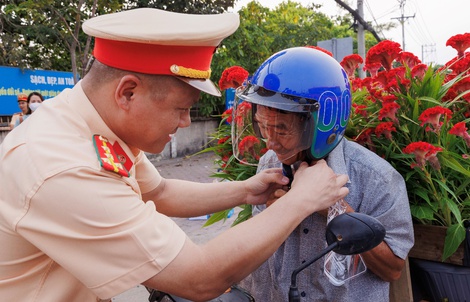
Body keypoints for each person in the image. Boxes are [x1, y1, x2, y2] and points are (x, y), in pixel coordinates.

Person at [0, 9, 349, 302]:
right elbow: (198, 277)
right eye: (182, 109)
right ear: (128, 92)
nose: (185, 122)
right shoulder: (61, 165)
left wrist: (246, 190)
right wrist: (302, 200)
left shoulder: (93, 127)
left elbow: (160, 192)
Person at [234, 47, 414, 301]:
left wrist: (332, 208)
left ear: (322, 124)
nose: (269, 143)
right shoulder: (269, 163)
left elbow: (392, 269)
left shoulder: (377, 179)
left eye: (281, 130)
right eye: (263, 127)